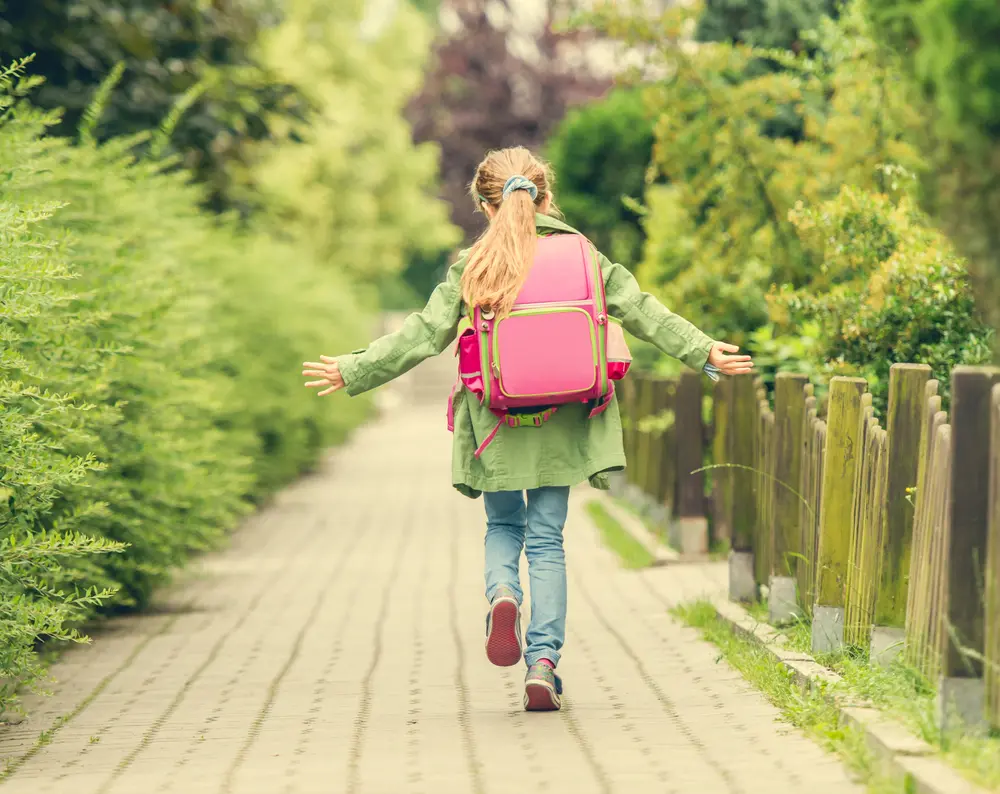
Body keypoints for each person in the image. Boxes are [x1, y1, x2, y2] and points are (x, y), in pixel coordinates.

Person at [302, 147, 753, 712]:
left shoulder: (476, 264)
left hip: (497, 417)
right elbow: (643, 311)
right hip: (565, 416)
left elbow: (423, 334)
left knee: (503, 526)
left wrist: (353, 369)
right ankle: (542, 664)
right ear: (545, 197)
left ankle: (502, 594)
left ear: (486, 207)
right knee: (547, 540)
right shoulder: (585, 256)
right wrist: (705, 353)